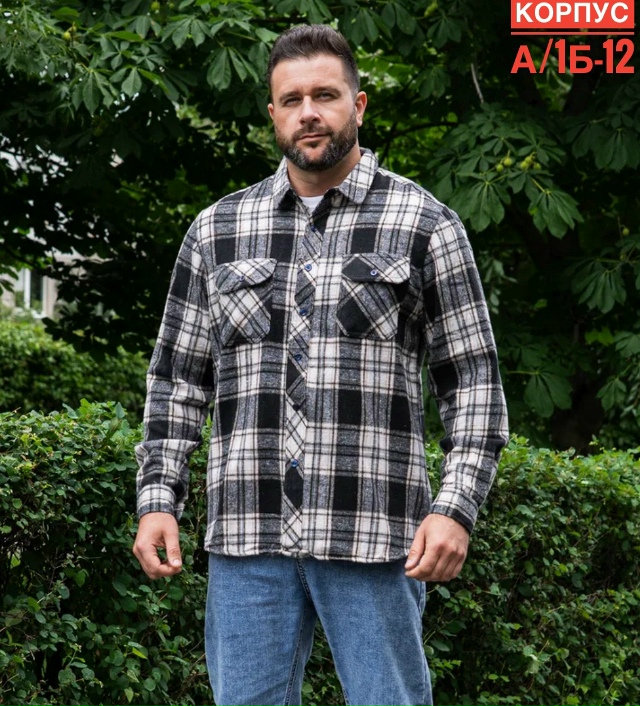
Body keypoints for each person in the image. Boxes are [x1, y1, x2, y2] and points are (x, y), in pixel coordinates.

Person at [133, 24, 509, 706]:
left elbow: (474, 383)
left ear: (357, 105)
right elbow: (176, 382)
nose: (309, 112)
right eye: (292, 99)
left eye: (326, 95)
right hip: (247, 539)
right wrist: (158, 498)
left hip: (376, 540)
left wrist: (455, 508)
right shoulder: (217, 231)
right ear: (273, 113)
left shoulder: (426, 225)